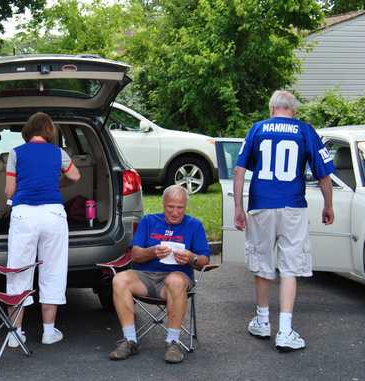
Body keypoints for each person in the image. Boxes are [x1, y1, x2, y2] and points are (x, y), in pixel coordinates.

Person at [234, 90, 334, 352]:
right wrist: (328, 205)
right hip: (292, 205)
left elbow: (239, 169)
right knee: (290, 265)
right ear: (294, 110)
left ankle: (263, 320)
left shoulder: (257, 129)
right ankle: (286, 330)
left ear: (271, 109)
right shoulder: (305, 130)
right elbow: (324, 173)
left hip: (261, 204)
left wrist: (237, 207)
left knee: (262, 261)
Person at [108, 185, 210, 363]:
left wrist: (191, 257)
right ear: (163, 204)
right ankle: (130, 340)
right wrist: (152, 252)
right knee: (119, 279)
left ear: (185, 206)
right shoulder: (148, 221)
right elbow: (136, 255)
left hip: (176, 279)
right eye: (171, 207)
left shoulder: (194, 225)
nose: (175, 212)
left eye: (180, 208)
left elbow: (204, 261)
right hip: (145, 277)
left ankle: (173, 342)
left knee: (175, 281)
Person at [4, 112, 81, 348]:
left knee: (18, 270)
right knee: (53, 269)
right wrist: (57, 182)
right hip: (53, 214)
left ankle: (15, 333)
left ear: (28, 130)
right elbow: (76, 176)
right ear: (49, 132)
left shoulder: (16, 153)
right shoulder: (59, 153)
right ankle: (49, 331)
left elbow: (9, 191)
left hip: (24, 214)